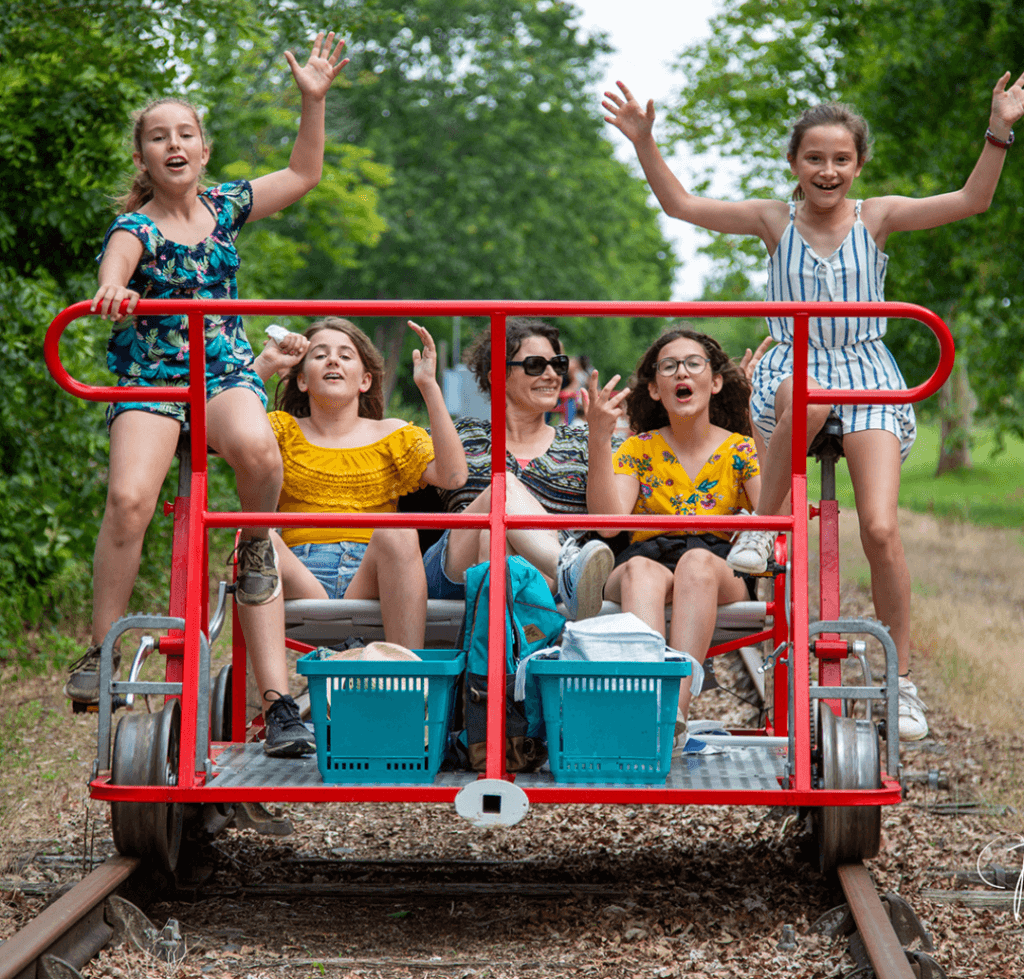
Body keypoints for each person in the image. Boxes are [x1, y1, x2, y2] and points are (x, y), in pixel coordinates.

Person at [603, 72, 1024, 741]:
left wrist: (998, 129)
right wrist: (644, 142)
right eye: (814, 158)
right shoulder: (775, 220)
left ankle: (901, 680)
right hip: (795, 372)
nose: (828, 171)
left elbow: (973, 200)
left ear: (859, 164)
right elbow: (681, 206)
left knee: (880, 529)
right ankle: (763, 526)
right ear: (794, 163)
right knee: (806, 395)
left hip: (866, 372)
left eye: (841, 159)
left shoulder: (876, 216)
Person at [66, 32, 351, 706]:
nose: (174, 144)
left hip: (222, 374)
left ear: (203, 150)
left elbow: (303, 175)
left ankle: (255, 546)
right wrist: (113, 291)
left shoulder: (225, 207)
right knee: (129, 500)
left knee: (259, 451)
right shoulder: (135, 229)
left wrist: (312, 101)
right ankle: (103, 648)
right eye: (158, 137)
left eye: (185, 134)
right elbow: (115, 269)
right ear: (143, 157)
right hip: (154, 382)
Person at [236, 317, 467, 756]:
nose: (332, 361)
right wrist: (266, 364)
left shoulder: (393, 433)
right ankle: (280, 712)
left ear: (365, 380)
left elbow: (454, 476)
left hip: (371, 575)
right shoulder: (280, 428)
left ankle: (404, 697)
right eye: (319, 355)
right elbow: (215, 434)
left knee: (398, 533)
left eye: (345, 355)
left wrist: (429, 387)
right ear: (301, 379)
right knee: (254, 532)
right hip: (302, 574)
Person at [586, 329, 760, 754]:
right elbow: (609, 526)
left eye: (693, 363)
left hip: (715, 563)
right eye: (669, 366)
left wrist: (759, 414)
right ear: (654, 389)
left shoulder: (741, 449)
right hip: (648, 556)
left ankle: (670, 715)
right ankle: (651, 704)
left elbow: (775, 510)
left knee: (696, 563)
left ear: (715, 382)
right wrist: (598, 438)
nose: (682, 372)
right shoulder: (637, 449)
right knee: (640, 571)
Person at [423, 319, 613, 620]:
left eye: (558, 365)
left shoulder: (582, 442)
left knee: (496, 542)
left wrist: (599, 439)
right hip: (455, 571)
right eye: (536, 365)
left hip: (542, 585)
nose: (552, 375)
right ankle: (566, 567)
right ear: (498, 376)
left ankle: (499, 650)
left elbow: (610, 523)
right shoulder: (462, 437)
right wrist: (428, 387)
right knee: (503, 489)